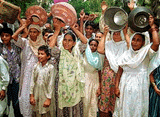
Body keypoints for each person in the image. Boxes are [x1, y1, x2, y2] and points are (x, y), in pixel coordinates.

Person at [113, 15, 159, 117]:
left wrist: (152, 27)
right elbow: (119, 72)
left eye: (138, 40)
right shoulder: (126, 54)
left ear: (143, 42)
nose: (135, 42)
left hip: (140, 86)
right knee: (125, 109)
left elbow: (156, 43)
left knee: (138, 110)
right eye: (133, 39)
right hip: (125, 84)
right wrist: (116, 87)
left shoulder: (146, 53)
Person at [48, 18, 87, 117]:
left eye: (69, 40)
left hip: (75, 86)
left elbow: (85, 41)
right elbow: (51, 48)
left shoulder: (77, 52)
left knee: (75, 110)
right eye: (65, 40)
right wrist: (57, 31)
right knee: (63, 111)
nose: (66, 43)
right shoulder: (60, 53)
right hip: (62, 86)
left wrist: (75, 29)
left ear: (74, 43)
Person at [12, 16, 45, 117]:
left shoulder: (42, 44)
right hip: (26, 74)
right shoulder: (25, 42)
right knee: (24, 97)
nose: (32, 34)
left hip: (38, 74)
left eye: (34, 32)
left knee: (36, 97)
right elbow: (14, 36)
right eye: (30, 31)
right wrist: (24, 25)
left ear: (39, 33)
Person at [97, 24, 128, 117]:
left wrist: (126, 33)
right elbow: (100, 49)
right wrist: (105, 34)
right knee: (105, 101)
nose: (116, 34)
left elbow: (131, 49)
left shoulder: (125, 45)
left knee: (117, 102)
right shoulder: (108, 44)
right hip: (107, 78)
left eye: (119, 33)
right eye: (114, 33)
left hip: (120, 77)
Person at [0, 27, 22, 117]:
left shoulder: (16, 46)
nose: (4, 38)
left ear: (11, 36)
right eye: (2, 36)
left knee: (16, 103)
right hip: (4, 81)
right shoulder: (0, 48)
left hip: (16, 79)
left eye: (6, 35)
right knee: (5, 103)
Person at [30, 45, 56, 117]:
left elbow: (51, 84)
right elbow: (32, 81)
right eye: (39, 53)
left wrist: (48, 98)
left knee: (47, 113)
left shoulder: (51, 68)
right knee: (37, 112)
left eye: (42, 54)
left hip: (46, 96)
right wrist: (31, 95)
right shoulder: (36, 67)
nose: (40, 56)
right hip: (36, 95)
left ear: (48, 56)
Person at [83, 39, 102, 117]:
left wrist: (99, 87)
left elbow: (99, 72)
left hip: (94, 79)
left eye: (95, 45)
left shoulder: (99, 57)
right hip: (84, 79)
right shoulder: (84, 54)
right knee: (85, 101)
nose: (93, 47)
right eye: (91, 45)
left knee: (93, 102)